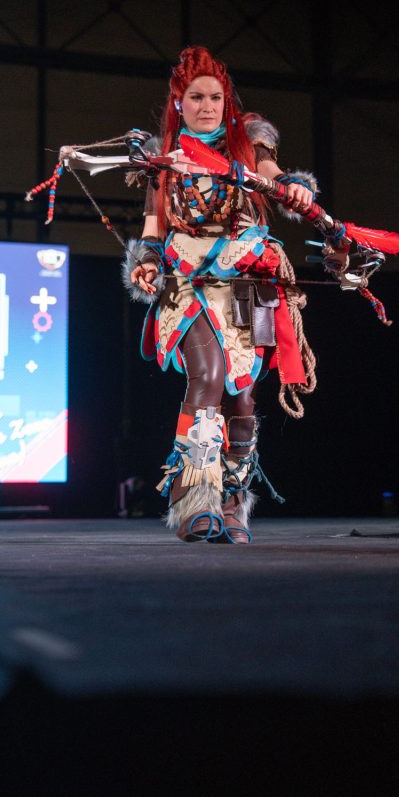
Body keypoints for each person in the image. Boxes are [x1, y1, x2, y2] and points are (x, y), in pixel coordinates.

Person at [122, 46, 318, 545]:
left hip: (245, 282)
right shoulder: (163, 154)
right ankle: (193, 500)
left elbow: (270, 175)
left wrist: (292, 187)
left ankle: (233, 503)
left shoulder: (248, 139)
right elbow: (153, 226)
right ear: (179, 102)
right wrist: (146, 262)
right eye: (196, 97)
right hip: (187, 283)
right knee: (207, 375)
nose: (207, 106)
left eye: (215, 97)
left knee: (242, 395)